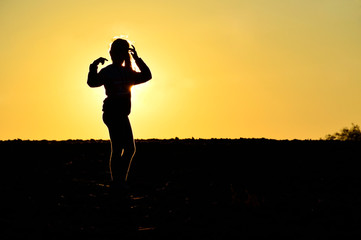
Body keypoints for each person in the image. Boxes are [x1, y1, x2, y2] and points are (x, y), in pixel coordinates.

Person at [87, 38, 152, 186]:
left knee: (124, 149)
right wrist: (93, 66)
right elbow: (92, 83)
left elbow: (147, 75)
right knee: (124, 148)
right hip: (113, 113)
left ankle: (119, 180)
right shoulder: (109, 72)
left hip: (120, 114)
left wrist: (137, 59)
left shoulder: (128, 73)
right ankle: (118, 180)